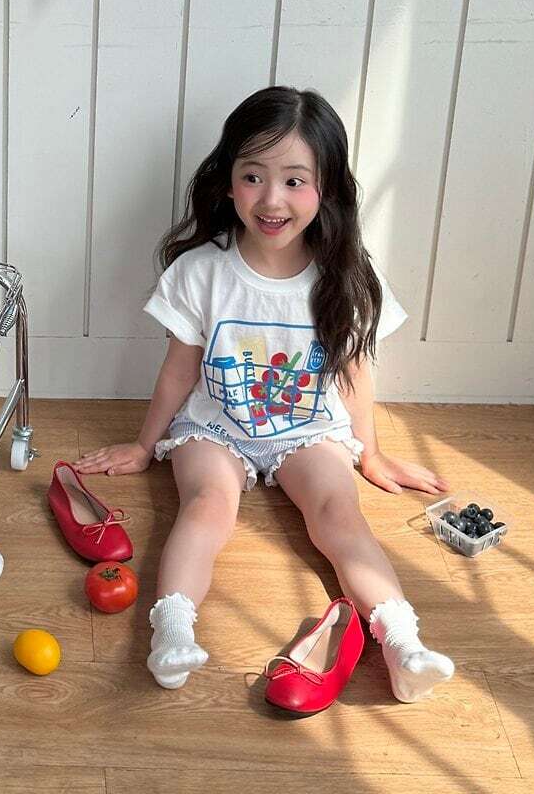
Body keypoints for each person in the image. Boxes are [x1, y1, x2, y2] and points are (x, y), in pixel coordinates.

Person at [74, 85, 456, 702]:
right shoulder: (202, 271)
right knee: (206, 507)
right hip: (216, 426)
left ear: (327, 188)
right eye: (253, 176)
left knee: (339, 516)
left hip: (309, 431)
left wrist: (371, 452)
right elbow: (178, 369)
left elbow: (355, 369)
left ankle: (401, 642)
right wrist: (145, 445)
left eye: (295, 181)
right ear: (228, 182)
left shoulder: (348, 274)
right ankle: (171, 633)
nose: (271, 199)